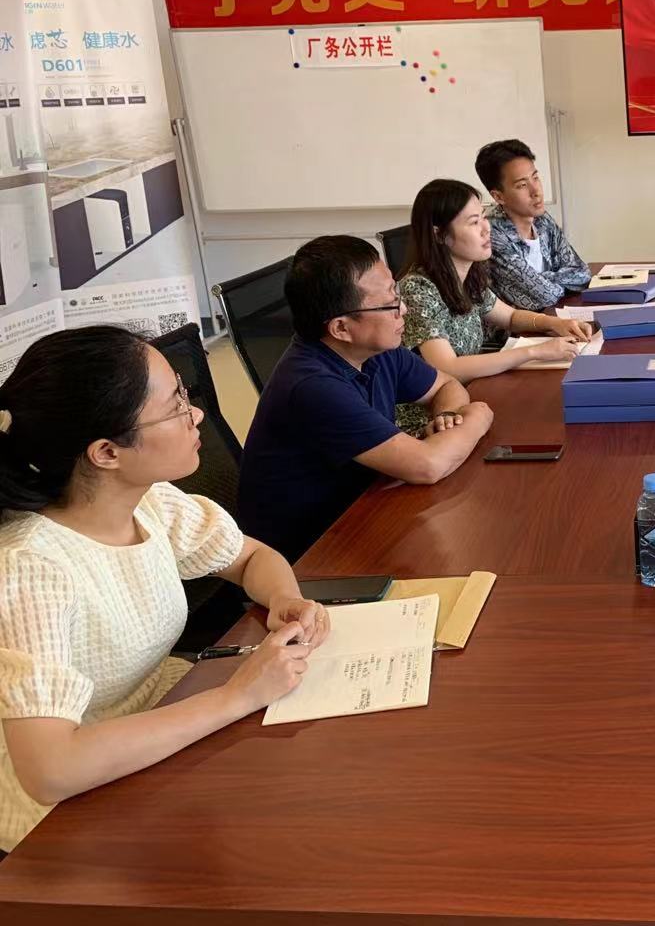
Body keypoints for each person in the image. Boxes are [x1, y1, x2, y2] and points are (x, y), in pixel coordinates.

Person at [0, 326, 329, 854]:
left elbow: (251, 558)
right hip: (73, 804)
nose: (195, 414)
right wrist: (237, 696)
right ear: (107, 452)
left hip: (166, 719)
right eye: (175, 405)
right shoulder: (31, 568)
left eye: (184, 393)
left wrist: (284, 599)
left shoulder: (148, 502)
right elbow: (51, 770)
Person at [236, 236, 493, 562]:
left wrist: (448, 418)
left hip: (362, 514)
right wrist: (478, 415)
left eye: (396, 294)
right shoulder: (312, 386)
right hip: (309, 558)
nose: (403, 309)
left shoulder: (374, 348)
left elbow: (447, 386)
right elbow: (428, 465)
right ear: (341, 328)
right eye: (390, 305)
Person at [396, 178, 594, 435]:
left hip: (470, 397)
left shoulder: (467, 275)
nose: (486, 228)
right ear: (440, 234)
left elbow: (509, 317)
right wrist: (535, 352)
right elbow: (447, 368)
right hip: (432, 420)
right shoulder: (418, 288)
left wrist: (555, 323)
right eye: (473, 222)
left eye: (483, 217)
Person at [476, 139, 591, 310]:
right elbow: (546, 296)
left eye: (535, 178)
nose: (536, 191)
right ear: (499, 196)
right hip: (518, 327)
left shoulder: (542, 219)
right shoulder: (493, 235)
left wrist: (540, 279)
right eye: (522, 185)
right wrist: (560, 283)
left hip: (553, 317)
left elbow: (582, 272)